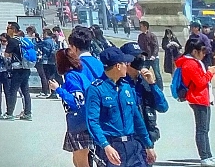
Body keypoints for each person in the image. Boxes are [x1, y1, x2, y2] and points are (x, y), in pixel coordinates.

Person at [85, 46, 156, 167]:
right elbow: (92, 122)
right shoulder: (96, 89)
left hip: (132, 145)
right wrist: (105, 145)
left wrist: (148, 145)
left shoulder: (126, 87)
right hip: (112, 147)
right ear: (118, 66)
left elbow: (136, 118)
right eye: (125, 63)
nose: (127, 65)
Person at [55, 26, 104, 167]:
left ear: (74, 47)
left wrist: (59, 90)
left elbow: (77, 98)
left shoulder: (77, 67)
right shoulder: (100, 64)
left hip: (84, 118)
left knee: (81, 159)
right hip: (103, 115)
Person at [174, 32, 215, 166]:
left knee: (205, 130)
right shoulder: (189, 64)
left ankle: (208, 155)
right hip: (198, 98)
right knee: (202, 130)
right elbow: (200, 82)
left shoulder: (194, 62)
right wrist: (210, 73)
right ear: (194, 51)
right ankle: (204, 157)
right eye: (202, 51)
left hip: (203, 98)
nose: (204, 54)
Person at [7, 22, 36, 120]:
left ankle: (9, 113)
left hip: (17, 69)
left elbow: (7, 54)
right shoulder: (24, 40)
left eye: (8, 28)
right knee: (25, 92)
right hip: (26, 68)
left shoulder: (12, 41)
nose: (7, 30)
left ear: (13, 29)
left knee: (13, 91)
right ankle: (28, 113)